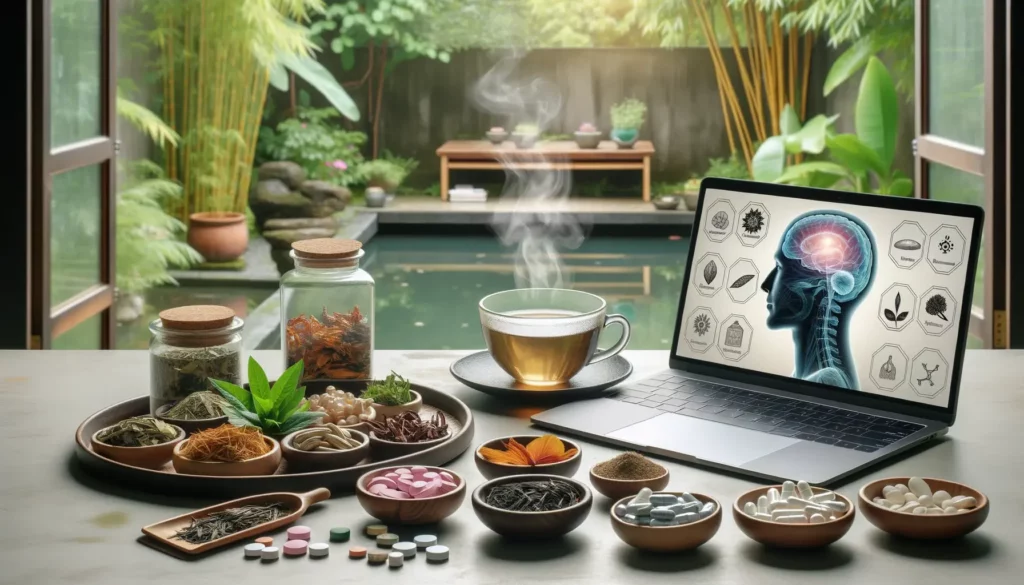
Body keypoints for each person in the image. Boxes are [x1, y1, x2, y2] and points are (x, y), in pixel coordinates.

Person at [760, 211, 876, 389]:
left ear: (818, 288)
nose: (766, 284)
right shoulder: (800, 376)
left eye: (779, 267)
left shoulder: (828, 381)